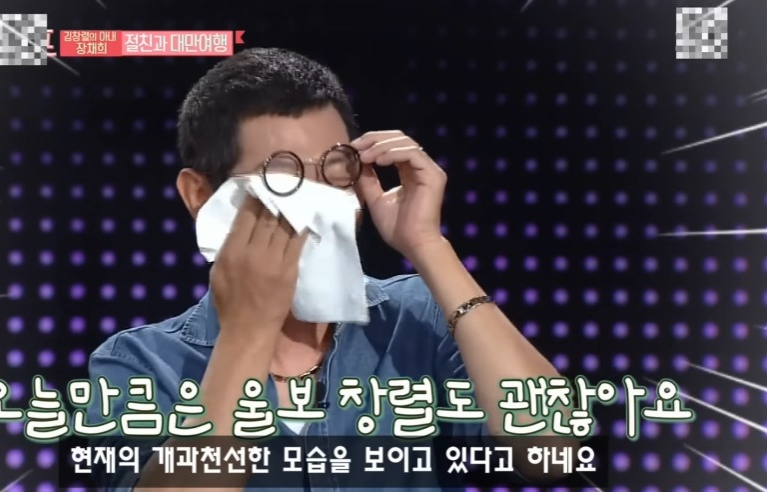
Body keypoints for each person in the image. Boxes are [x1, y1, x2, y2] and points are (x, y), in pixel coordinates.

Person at [87, 47, 575, 491]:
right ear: (200, 195)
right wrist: (249, 332)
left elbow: (555, 452)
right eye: (284, 177)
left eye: (336, 171)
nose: (321, 206)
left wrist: (428, 245)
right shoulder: (140, 363)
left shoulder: (417, 319)